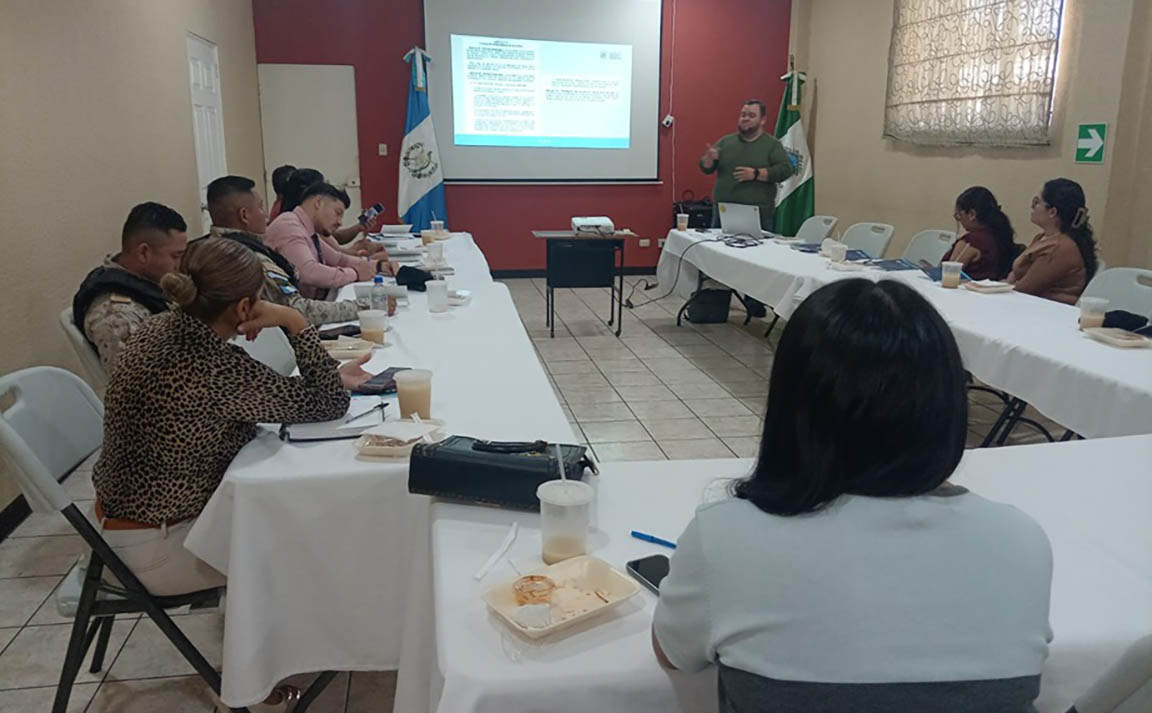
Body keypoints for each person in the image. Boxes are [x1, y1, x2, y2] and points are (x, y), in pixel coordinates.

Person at [652, 279, 1053, 713]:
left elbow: (672, 654)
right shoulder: (1020, 540)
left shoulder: (724, 539)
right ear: (948, 403)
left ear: (791, 406)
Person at [91, 238, 371, 596]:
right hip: (157, 551)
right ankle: (267, 629)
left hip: (114, 526)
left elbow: (269, 396)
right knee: (324, 543)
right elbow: (330, 403)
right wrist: (293, 320)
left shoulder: (157, 327)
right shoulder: (214, 367)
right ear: (243, 307)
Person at [204, 175, 376, 325]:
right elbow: (297, 308)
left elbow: (337, 257)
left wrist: (376, 266)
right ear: (244, 215)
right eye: (261, 207)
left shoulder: (212, 248)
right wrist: (367, 306)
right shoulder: (246, 257)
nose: (266, 216)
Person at [72, 202, 187, 375]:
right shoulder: (118, 318)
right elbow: (135, 385)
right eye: (175, 256)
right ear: (143, 253)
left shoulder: (149, 282)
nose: (180, 264)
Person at [265, 182, 386, 299]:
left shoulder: (308, 229)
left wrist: (378, 266)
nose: (340, 222)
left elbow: (338, 259)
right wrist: (355, 273)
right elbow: (309, 272)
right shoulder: (289, 226)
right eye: (337, 213)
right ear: (318, 202)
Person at [699, 99, 796, 231]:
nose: (745, 119)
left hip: (758, 214)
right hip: (723, 212)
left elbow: (785, 170)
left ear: (762, 120)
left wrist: (756, 174)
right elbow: (706, 168)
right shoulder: (726, 142)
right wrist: (709, 159)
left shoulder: (772, 145)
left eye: (751, 115)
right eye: (743, 115)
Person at [1008, 178, 1098, 304]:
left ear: (1052, 212)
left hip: (1047, 309)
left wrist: (1002, 286)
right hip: (1029, 302)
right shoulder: (1042, 238)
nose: (1032, 207)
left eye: (1037, 202)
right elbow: (1015, 275)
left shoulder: (1059, 248)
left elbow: (1025, 289)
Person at [275, 167, 384, 254]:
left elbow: (335, 243)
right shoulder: (294, 225)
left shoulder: (303, 219)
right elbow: (330, 260)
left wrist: (359, 228)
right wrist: (360, 254)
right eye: (337, 213)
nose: (340, 222)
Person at [942, 186, 1017, 281]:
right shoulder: (1000, 236)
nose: (959, 220)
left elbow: (948, 274)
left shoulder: (972, 241)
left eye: (959, 215)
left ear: (972, 214)